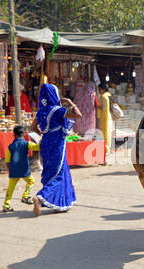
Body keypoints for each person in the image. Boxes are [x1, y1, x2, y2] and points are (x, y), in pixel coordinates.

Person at [30, 83, 82, 217]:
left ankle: (58, 203)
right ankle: (41, 197)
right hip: (57, 143)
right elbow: (78, 115)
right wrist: (71, 103)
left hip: (46, 143)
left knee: (50, 171)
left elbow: (33, 127)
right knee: (59, 173)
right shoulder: (57, 110)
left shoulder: (42, 111)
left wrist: (43, 133)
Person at [2, 125, 40, 212]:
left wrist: (9, 170)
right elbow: (37, 147)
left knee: (10, 188)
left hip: (13, 171)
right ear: (24, 135)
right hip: (24, 170)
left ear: (14, 135)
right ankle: (25, 196)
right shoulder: (27, 144)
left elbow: (7, 161)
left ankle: (6, 204)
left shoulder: (10, 147)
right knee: (31, 181)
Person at [97, 83, 113, 153]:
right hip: (107, 117)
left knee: (105, 133)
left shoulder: (104, 97)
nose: (98, 91)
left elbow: (104, 109)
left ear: (103, 89)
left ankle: (105, 148)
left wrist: (97, 106)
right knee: (107, 133)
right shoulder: (107, 96)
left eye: (99, 89)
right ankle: (106, 148)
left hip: (104, 118)